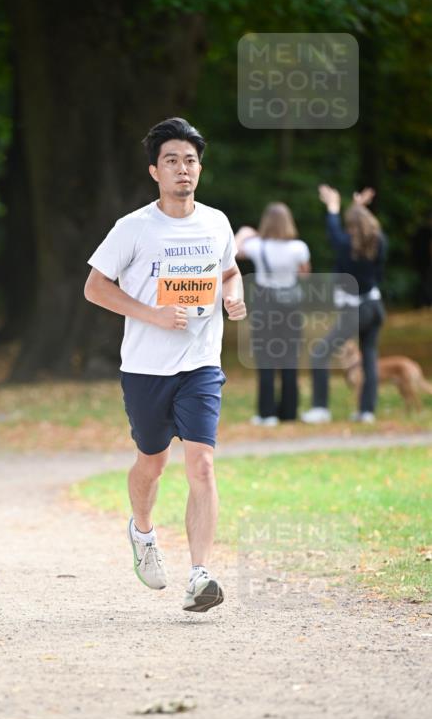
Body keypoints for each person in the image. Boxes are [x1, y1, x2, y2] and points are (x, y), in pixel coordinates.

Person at [84, 117, 246, 613]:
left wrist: (233, 296)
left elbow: (230, 272)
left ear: (200, 169)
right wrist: (151, 314)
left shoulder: (216, 223)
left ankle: (200, 574)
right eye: (172, 161)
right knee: (152, 463)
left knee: (202, 463)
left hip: (200, 364)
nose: (183, 169)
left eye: (190, 161)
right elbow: (95, 287)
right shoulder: (133, 228)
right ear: (155, 171)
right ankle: (143, 531)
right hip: (146, 369)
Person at [302, 185, 386, 424]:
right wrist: (358, 207)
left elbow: (334, 229)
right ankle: (367, 411)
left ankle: (320, 408)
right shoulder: (380, 241)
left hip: (356, 309)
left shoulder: (345, 245)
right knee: (369, 357)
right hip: (375, 306)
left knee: (320, 353)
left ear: (351, 226)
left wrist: (333, 206)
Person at [235, 203, 311, 425]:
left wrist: (245, 232)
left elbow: (234, 251)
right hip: (290, 306)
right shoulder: (299, 247)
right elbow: (305, 275)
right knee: (290, 357)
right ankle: (289, 412)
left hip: (265, 304)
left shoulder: (258, 246)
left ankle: (266, 413)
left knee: (265, 358)